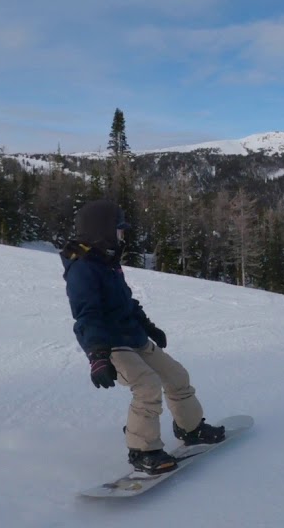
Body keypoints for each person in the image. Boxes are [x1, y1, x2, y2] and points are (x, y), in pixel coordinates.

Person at [61, 199, 225, 475]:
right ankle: (142, 450)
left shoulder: (107, 261)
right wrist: (98, 356)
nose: (123, 235)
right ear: (102, 231)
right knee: (147, 386)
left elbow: (125, 302)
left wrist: (147, 325)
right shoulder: (83, 269)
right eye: (119, 230)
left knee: (176, 376)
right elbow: (86, 316)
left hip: (133, 336)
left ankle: (191, 429)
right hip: (111, 345)